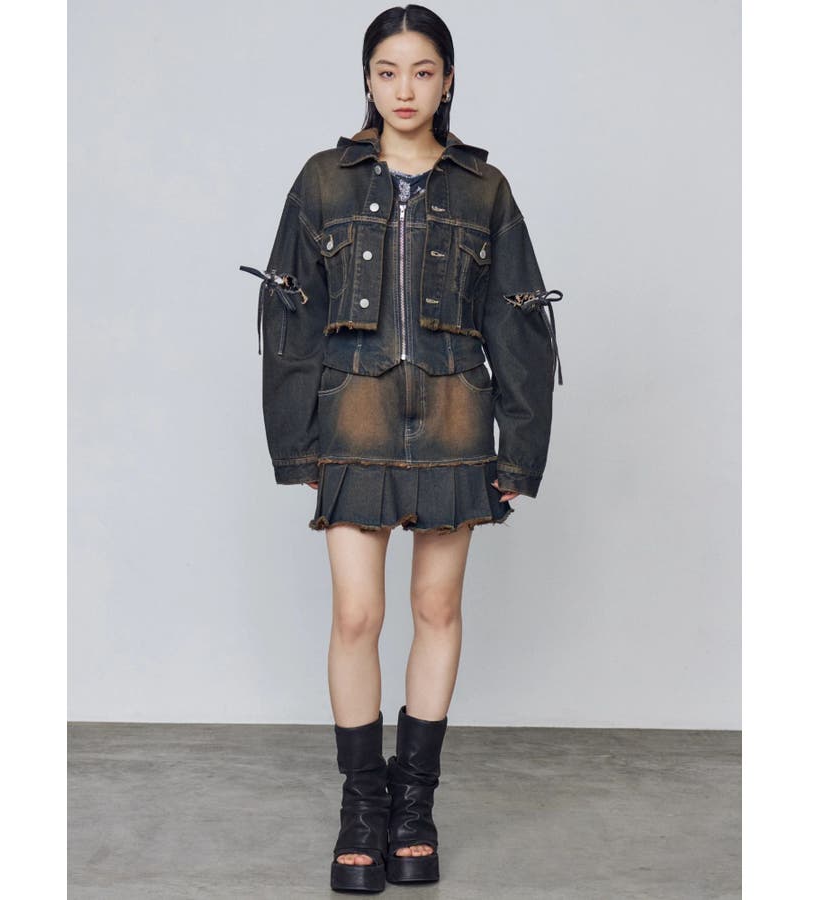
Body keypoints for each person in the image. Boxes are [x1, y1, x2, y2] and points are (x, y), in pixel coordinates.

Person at [240, 4, 564, 892]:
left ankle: (415, 810)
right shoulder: (322, 180)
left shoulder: (485, 189)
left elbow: (518, 324)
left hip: (456, 423)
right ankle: (362, 811)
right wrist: (296, 443)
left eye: (423, 71)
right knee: (356, 616)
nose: (405, 89)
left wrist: (518, 453)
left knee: (436, 609)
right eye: (388, 71)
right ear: (368, 79)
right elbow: (290, 316)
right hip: (352, 422)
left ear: (448, 80)